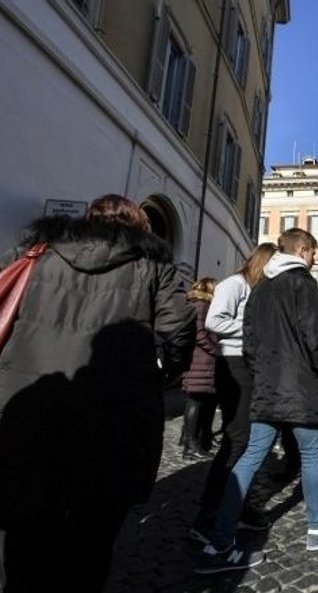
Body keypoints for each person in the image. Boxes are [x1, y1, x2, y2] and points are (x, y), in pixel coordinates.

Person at [0, 195, 195, 592]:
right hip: (114, 418)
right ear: (140, 226)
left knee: (25, 537)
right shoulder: (155, 266)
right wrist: (158, 370)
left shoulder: (37, 252)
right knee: (91, 545)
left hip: (31, 407)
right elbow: (179, 333)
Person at [197, 228, 318, 574]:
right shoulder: (302, 282)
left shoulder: (260, 287)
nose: (316, 259)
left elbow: (247, 338)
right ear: (303, 250)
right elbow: (317, 337)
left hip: (266, 384)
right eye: (313, 253)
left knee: (251, 456)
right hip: (300, 386)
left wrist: (261, 371)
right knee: (313, 454)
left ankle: (219, 541)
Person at [190, 243, 277, 542]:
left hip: (251, 364)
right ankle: (208, 512)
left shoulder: (256, 289)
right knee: (237, 438)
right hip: (233, 364)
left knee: (249, 439)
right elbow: (214, 321)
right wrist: (252, 327)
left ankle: (238, 504)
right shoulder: (234, 284)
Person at [181, 277, 219, 460]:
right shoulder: (201, 305)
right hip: (201, 360)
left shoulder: (195, 304)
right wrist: (216, 350)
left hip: (198, 359)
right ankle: (190, 447)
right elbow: (200, 334)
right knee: (195, 402)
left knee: (195, 402)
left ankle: (189, 441)